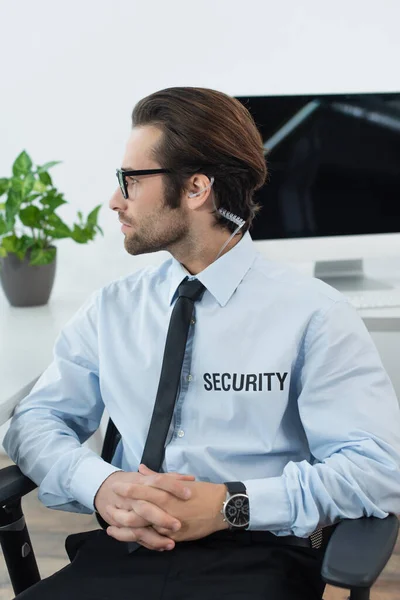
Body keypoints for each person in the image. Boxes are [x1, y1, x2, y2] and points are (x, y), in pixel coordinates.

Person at [4, 87, 400, 600]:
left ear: (195, 189)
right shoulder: (112, 308)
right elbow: (35, 420)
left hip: (257, 555)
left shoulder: (316, 315)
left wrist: (228, 505)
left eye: (131, 180)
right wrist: (99, 485)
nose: (115, 200)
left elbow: (375, 469)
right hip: (125, 551)